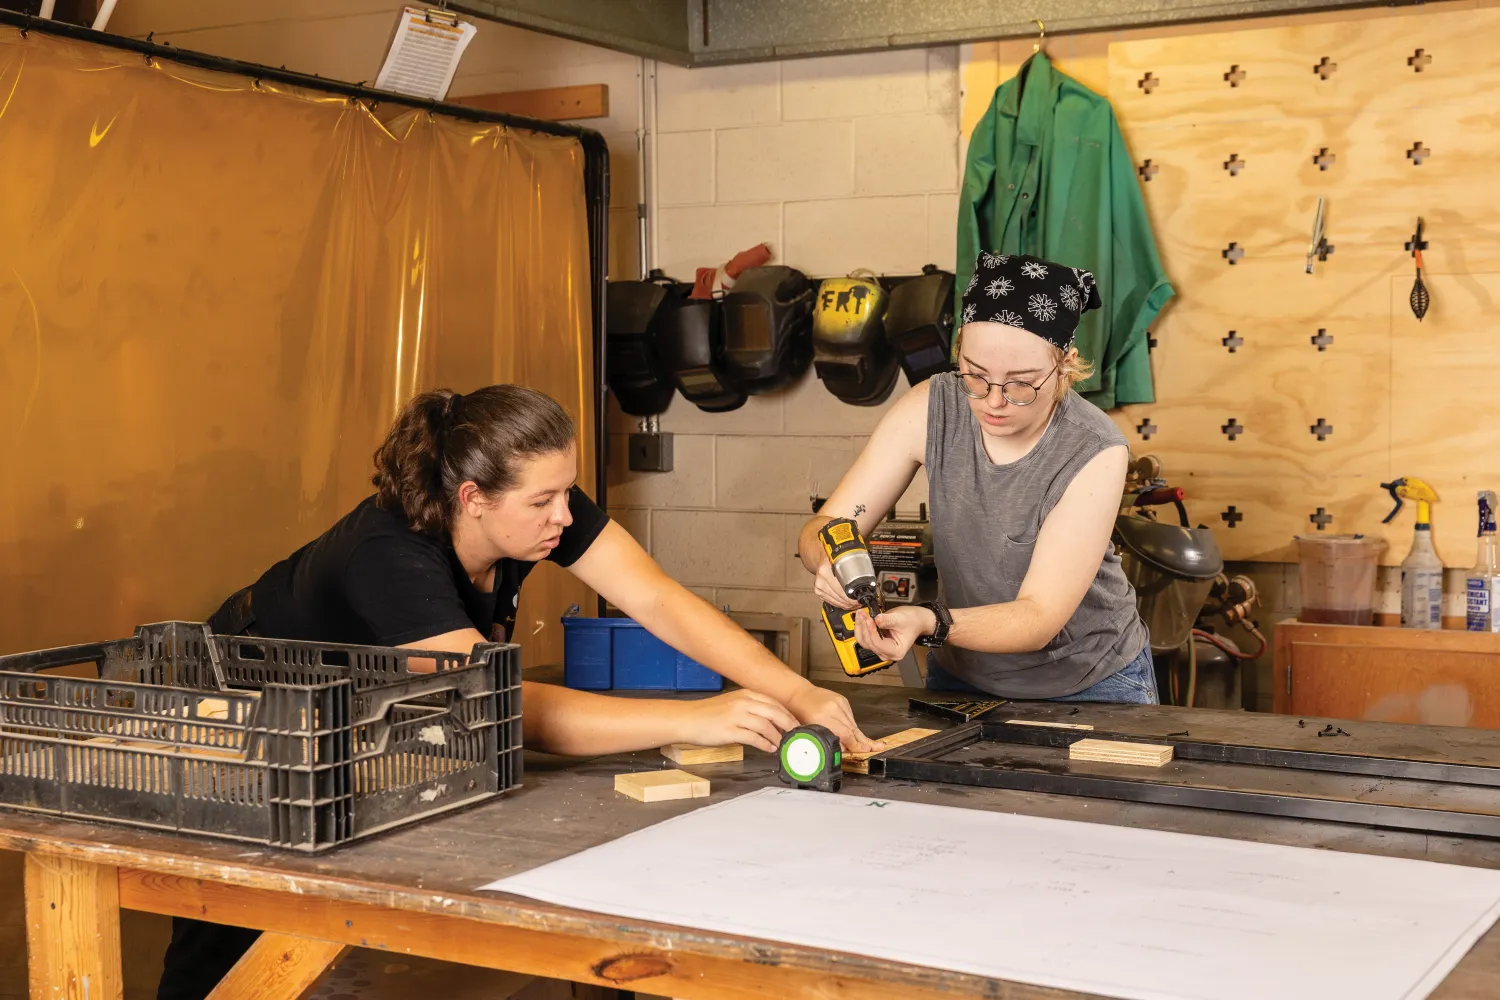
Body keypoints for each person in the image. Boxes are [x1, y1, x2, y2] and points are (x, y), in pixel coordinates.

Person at [159, 384, 877, 1000]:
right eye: (545, 501)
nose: (566, 517)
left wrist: (795, 690)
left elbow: (657, 601)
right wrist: (701, 716)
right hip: (233, 706)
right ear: (471, 499)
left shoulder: (531, 510)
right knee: (225, 935)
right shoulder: (390, 558)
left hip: (338, 719)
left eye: (567, 493)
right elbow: (498, 709)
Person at [797, 252, 1157, 705]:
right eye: (976, 375)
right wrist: (829, 561)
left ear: (1064, 365)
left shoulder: (1095, 449)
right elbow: (823, 527)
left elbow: (1038, 618)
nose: (994, 401)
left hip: (1091, 682)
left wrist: (930, 622)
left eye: (1021, 383)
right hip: (961, 673)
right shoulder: (929, 408)